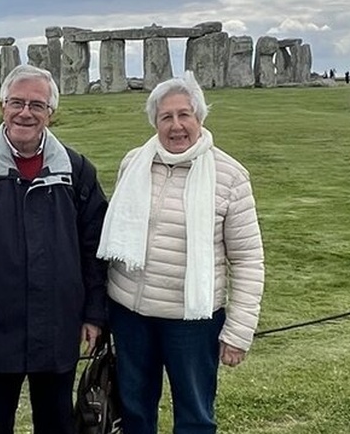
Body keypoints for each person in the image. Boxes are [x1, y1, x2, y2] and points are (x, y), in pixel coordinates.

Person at [0, 64, 109, 434]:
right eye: (16, 102)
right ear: (2, 106)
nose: (25, 112)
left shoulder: (77, 171)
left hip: (58, 325)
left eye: (37, 104)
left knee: (56, 423)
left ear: (51, 112)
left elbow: (95, 250)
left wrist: (94, 314)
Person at [98, 71, 265, 434]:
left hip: (192, 320)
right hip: (130, 313)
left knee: (194, 414)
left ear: (200, 118)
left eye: (184, 114)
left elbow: (248, 258)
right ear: (155, 122)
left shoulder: (230, 176)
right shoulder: (134, 163)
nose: (176, 126)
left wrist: (238, 331)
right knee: (135, 409)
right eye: (166, 117)